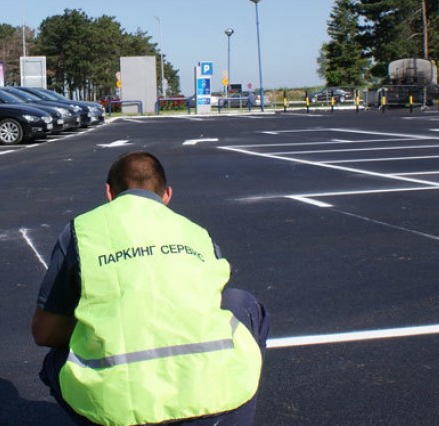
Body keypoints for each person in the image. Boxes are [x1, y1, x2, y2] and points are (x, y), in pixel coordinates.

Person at [32, 151, 268, 426]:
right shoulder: (196, 232)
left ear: (109, 193)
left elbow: (44, 331)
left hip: (122, 412)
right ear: (166, 195)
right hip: (216, 406)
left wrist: (101, 322)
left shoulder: (83, 231)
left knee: (57, 362)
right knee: (241, 302)